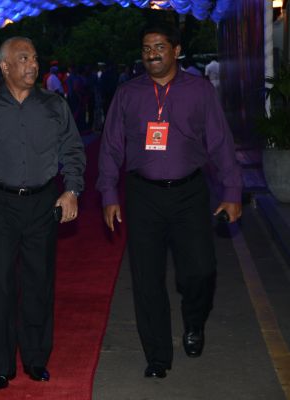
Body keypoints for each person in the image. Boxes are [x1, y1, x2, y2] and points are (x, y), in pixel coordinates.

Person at [96, 23, 242, 379]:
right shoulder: (128, 93)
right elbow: (111, 146)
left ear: (176, 50)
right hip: (143, 195)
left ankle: (194, 321)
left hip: (189, 193)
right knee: (146, 278)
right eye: (147, 48)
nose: (152, 54)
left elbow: (220, 143)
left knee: (200, 270)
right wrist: (109, 193)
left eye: (160, 47)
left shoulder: (199, 90)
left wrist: (232, 192)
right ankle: (158, 356)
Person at [0, 36, 86, 390]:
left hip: (43, 203)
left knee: (38, 281)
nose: (33, 65)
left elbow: (73, 150)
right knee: (1, 283)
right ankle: (1, 367)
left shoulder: (54, 104)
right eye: (24, 58)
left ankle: (35, 359)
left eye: (35, 58)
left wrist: (72, 190)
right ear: (5, 66)